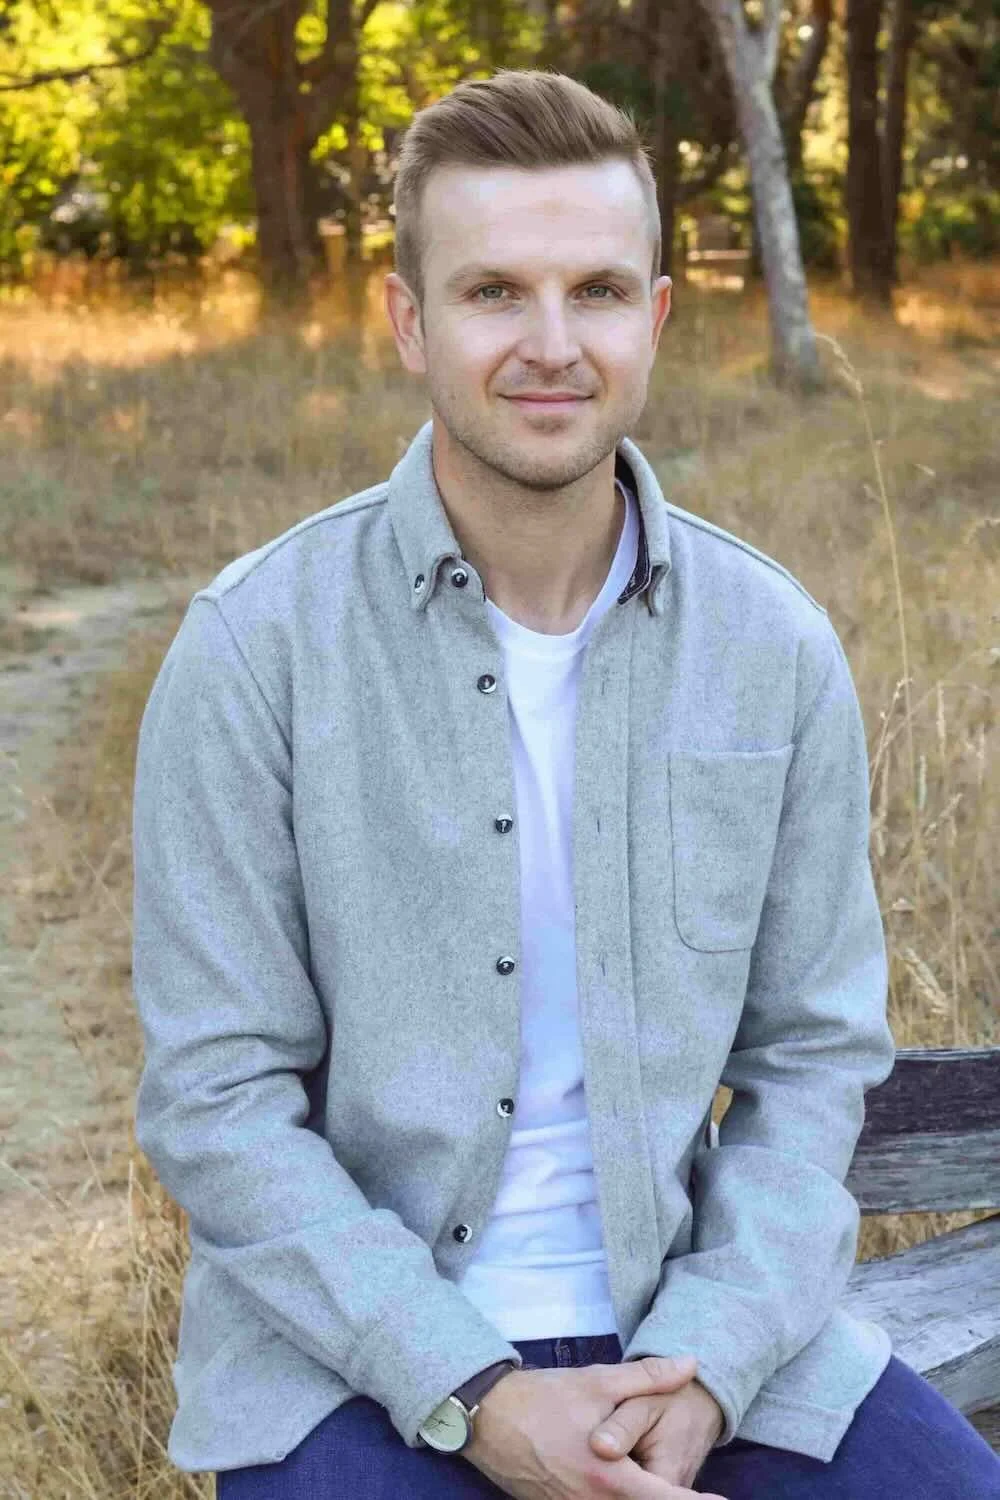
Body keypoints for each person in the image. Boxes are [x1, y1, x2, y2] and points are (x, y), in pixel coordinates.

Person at [130, 68, 1000, 1500]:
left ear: (654, 316)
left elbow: (811, 1058)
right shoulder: (255, 648)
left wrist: (712, 1364)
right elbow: (217, 1102)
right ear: (411, 321)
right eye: (494, 295)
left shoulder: (769, 642)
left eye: (596, 290)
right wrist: (469, 1389)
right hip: (358, 1358)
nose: (552, 345)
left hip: (699, 1336)